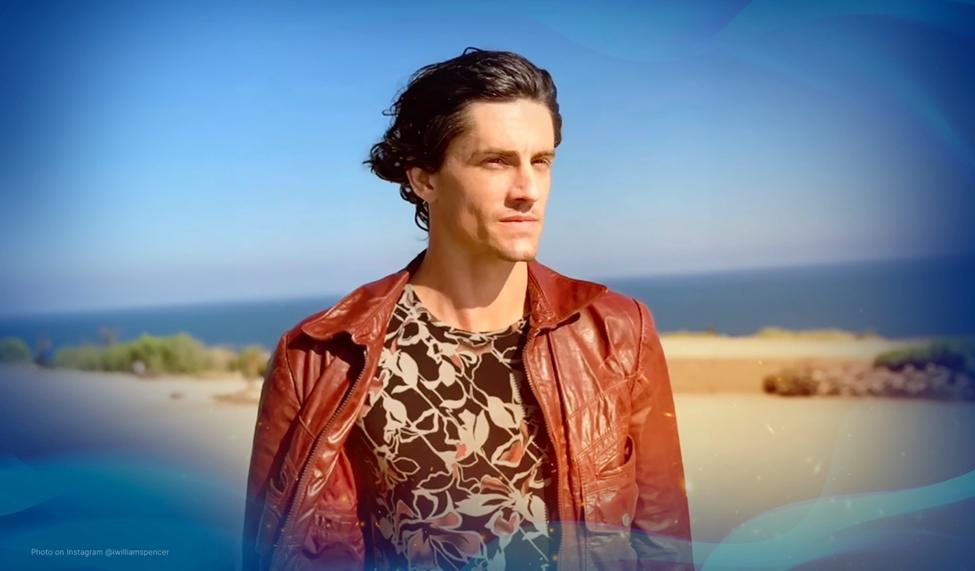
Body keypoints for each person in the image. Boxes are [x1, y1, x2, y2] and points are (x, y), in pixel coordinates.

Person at [242, 47, 693, 571]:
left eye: (541, 162)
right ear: (424, 179)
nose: (528, 191)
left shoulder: (618, 331)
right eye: (496, 161)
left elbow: (665, 545)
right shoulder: (322, 357)